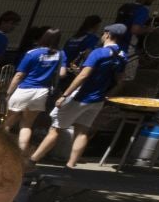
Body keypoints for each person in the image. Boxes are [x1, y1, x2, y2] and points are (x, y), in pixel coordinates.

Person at [31, 23, 130, 169]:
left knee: (55, 129)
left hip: (81, 96)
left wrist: (65, 95)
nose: (102, 36)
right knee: (82, 131)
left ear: (108, 34)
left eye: (104, 33)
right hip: (98, 99)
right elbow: (119, 79)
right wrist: (107, 95)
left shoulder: (98, 52)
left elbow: (84, 75)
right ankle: (71, 164)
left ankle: (33, 160)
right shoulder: (122, 56)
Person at [3, 28, 66, 153]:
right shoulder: (61, 54)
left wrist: (8, 92)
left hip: (24, 89)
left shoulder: (32, 53)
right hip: (42, 92)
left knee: (7, 123)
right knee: (26, 125)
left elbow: (19, 75)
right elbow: (62, 74)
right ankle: (21, 154)